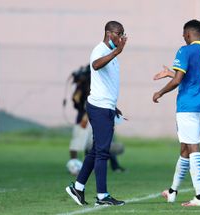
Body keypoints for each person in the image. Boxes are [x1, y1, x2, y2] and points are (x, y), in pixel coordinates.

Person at [152, 19, 200, 207]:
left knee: (193, 147)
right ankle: (172, 192)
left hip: (188, 106)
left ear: (188, 34)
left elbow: (179, 80)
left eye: (183, 35)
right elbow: (194, 78)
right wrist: (170, 74)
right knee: (185, 149)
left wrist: (160, 92)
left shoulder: (185, 50)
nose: (183, 38)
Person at [66, 21, 127, 206]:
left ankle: (78, 188)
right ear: (109, 33)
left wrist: (113, 106)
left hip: (106, 106)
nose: (121, 37)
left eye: (123, 33)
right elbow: (96, 65)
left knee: (95, 151)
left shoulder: (112, 54)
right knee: (102, 152)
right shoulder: (100, 50)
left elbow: (106, 83)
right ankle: (102, 196)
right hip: (99, 107)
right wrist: (115, 52)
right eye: (118, 33)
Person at [68, 65, 125, 173]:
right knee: (79, 142)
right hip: (85, 117)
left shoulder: (94, 84)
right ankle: (74, 165)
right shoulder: (86, 85)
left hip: (92, 117)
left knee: (94, 144)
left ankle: (90, 166)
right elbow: (78, 100)